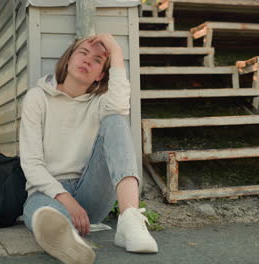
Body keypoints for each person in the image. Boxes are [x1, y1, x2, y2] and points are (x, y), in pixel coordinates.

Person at [19, 33, 158, 264]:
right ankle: (68, 238)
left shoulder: (100, 103)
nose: (87, 60)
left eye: (96, 60)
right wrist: (67, 200)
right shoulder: (37, 98)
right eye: (82, 53)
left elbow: (121, 105)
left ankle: (130, 220)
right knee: (43, 213)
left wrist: (115, 49)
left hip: (90, 192)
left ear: (100, 75)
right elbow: (31, 164)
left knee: (116, 120)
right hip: (48, 192)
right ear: (68, 59)